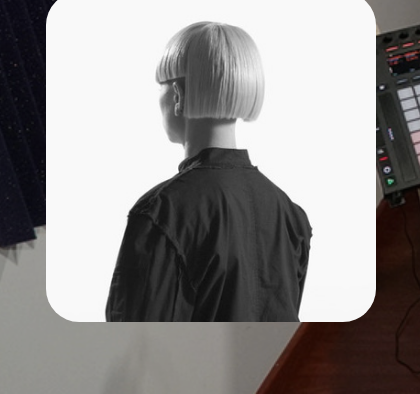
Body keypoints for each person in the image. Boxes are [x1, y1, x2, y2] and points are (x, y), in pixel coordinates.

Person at [106, 22, 311, 321]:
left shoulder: (161, 212)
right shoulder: (291, 215)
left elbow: (133, 328)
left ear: (177, 94)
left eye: (161, 87)